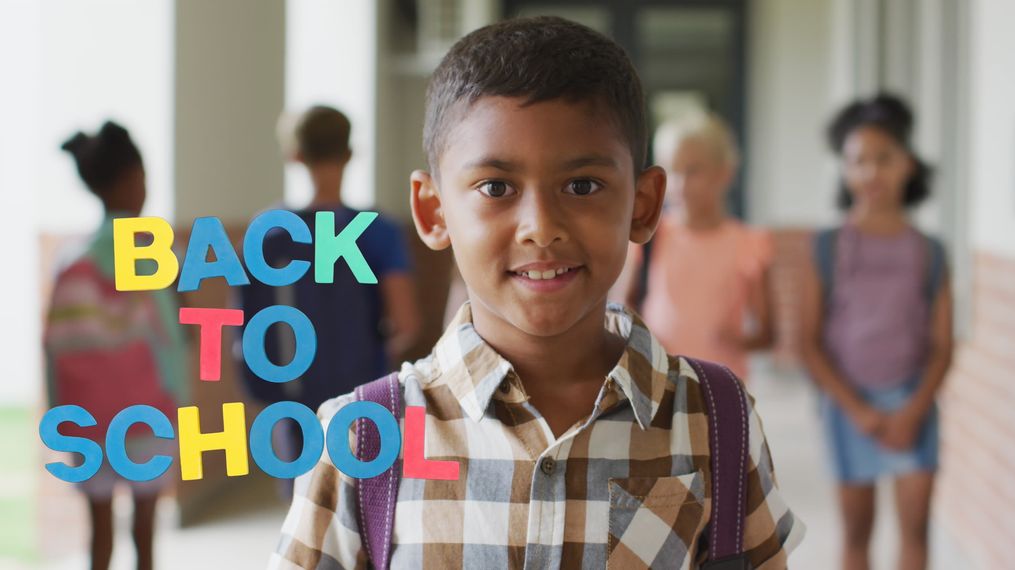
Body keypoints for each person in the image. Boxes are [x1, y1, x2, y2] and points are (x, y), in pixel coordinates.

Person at [271, 17, 802, 569]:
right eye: (496, 188)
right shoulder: (359, 439)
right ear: (433, 210)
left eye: (582, 186)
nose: (540, 227)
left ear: (643, 205)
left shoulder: (714, 420)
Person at [800, 94, 953, 570]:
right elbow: (808, 342)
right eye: (858, 160)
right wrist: (860, 411)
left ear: (907, 164)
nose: (871, 172)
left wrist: (914, 410)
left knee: (914, 533)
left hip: (914, 405)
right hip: (849, 409)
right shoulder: (826, 248)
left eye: (883, 158)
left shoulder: (930, 251)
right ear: (844, 170)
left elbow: (943, 345)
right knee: (856, 535)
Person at [237, 105, 420, 496]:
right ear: (350, 153)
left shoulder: (267, 232)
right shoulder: (376, 231)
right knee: (362, 506)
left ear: (294, 156)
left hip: (292, 398)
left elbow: (247, 326)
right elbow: (406, 323)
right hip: (361, 397)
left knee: (303, 508)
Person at [46, 121, 189, 570]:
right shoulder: (155, 250)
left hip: (89, 418)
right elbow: (180, 329)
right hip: (149, 416)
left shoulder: (73, 258)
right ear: (133, 179)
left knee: (99, 530)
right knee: (145, 528)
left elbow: (53, 348)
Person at [615, 111, 774, 381]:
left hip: (720, 385)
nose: (681, 184)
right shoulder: (647, 235)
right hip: (658, 380)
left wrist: (736, 340)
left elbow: (767, 333)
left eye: (693, 171)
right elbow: (621, 309)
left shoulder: (749, 243)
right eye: (672, 171)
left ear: (725, 173)